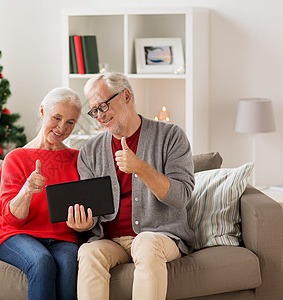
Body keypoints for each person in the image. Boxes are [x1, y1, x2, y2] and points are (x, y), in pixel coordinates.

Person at [67, 72, 195, 300]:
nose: (100, 116)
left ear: (126, 96)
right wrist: (83, 223)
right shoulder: (90, 151)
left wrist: (141, 167)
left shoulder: (171, 136)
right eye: (94, 110)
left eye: (104, 106)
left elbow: (181, 197)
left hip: (161, 236)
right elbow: (92, 213)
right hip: (110, 240)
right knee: (88, 252)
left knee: (145, 242)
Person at [0, 87, 86, 300]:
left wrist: (85, 223)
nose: (62, 127)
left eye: (70, 122)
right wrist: (26, 191)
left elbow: (88, 206)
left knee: (69, 264)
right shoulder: (16, 158)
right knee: (42, 261)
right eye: (57, 118)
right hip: (17, 236)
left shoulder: (78, 159)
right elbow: (11, 220)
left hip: (64, 237)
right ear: (42, 111)